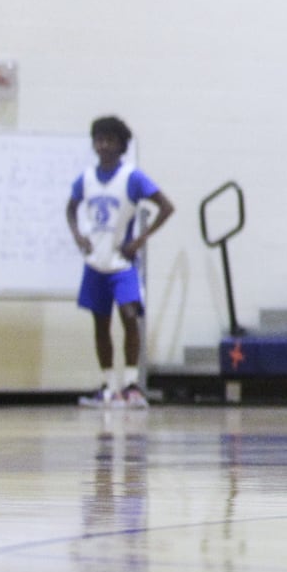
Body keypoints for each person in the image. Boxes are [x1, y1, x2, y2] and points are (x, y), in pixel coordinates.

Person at [66, 116, 175, 409]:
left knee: (129, 317)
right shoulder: (86, 178)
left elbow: (166, 207)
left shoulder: (132, 177)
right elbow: (71, 207)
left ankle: (131, 384)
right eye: (99, 139)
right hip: (95, 264)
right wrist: (79, 236)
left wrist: (139, 240)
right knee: (100, 324)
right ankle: (108, 386)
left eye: (110, 139)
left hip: (121, 264)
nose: (104, 145)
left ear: (121, 144)